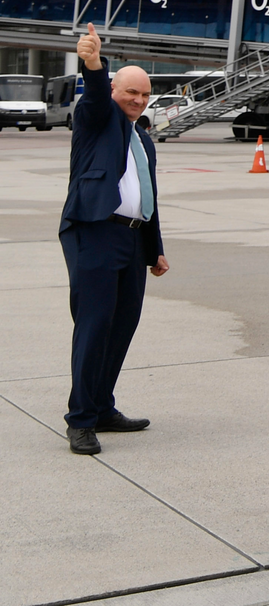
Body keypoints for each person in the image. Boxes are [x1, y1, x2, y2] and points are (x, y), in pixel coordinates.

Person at [60, 23, 169, 455]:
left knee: (122, 325)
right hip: (96, 232)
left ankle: (102, 406)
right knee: (94, 325)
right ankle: (81, 419)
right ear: (113, 91)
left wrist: (155, 247)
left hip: (132, 239)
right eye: (130, 93)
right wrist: (93, 64)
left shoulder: (143, 138)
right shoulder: (97, 119)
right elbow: (93, 97)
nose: (138, 101)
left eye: (144, 95)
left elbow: (148, 194)